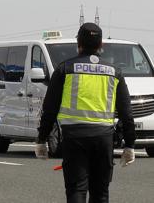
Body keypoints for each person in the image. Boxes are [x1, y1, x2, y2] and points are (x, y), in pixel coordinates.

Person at [36, 23, 136, 203]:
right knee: (101, 193)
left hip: (74, 138)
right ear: (101, 46)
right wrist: (130, 144)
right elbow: (127, 113)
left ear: (78, 43)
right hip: (104, 138)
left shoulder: (65, 69)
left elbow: (49, 108)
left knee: (76, 190)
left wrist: (42, 139)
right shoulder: (114, 72)